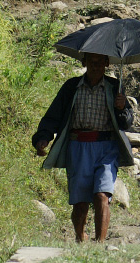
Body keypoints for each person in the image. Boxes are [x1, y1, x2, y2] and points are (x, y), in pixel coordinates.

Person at [32, 52, 134, 242]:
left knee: (102, 195)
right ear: (84, 62)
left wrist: (122, 109)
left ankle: (100, 244)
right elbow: (53, 116)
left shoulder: (114, 87)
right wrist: (43, 138)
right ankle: (80, 238)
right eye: (91, 61)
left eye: (99, 62)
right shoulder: (72, 87)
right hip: (78, 147)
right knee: (80, 202)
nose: (95, 65)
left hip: (107, 148)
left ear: (107, 63)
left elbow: (126, 123)